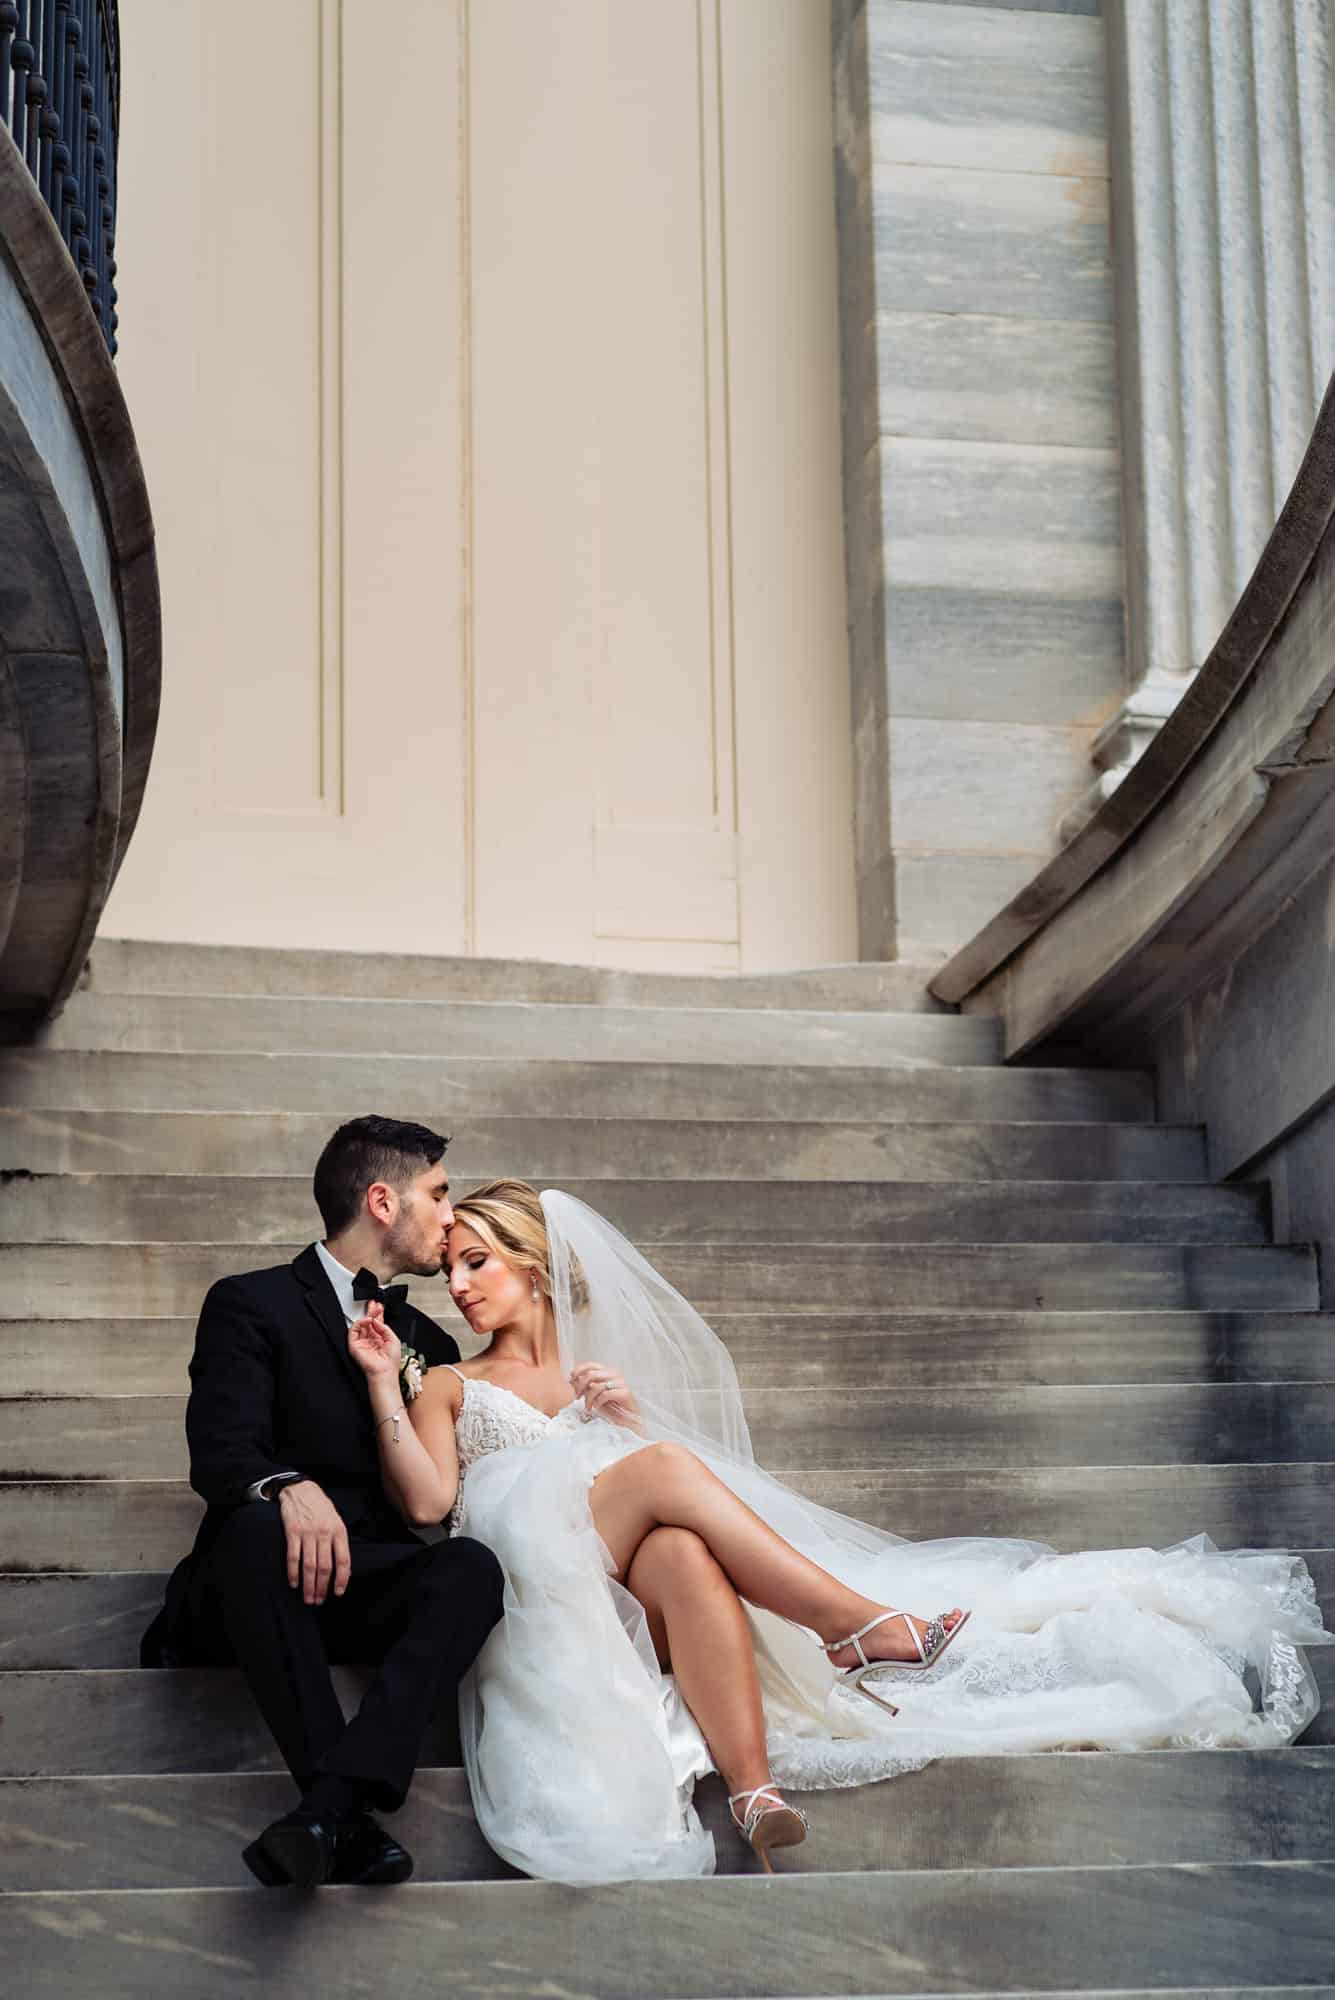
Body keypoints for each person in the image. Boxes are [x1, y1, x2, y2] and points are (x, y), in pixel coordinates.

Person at [347, 1179, 1328, 1885]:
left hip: (620, 1568)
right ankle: (852, 1622)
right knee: (664, 1475)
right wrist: (380, 1384)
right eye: (452, 1266)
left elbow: (646, 1500)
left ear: (533, 1263)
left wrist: (620, 1417)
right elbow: (431, 1505)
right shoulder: (448, 1380)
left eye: (478, 1259)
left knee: (686, 1548)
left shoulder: (597, 1375)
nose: (461, 1283)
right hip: (532, 1570)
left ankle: (753, 1789)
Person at [140, 1117, 504, 1889]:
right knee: (250, 1531)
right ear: (381, 1200)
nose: (450, 1214)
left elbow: (441, 1491)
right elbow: (221, 1451)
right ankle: (342, 1810)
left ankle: (328, 1811)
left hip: (357, 1582)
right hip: (248, 1589)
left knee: (469, 1569)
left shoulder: (425, 1344)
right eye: (437, 1194)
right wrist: (286, 1488)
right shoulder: (251, 1303)